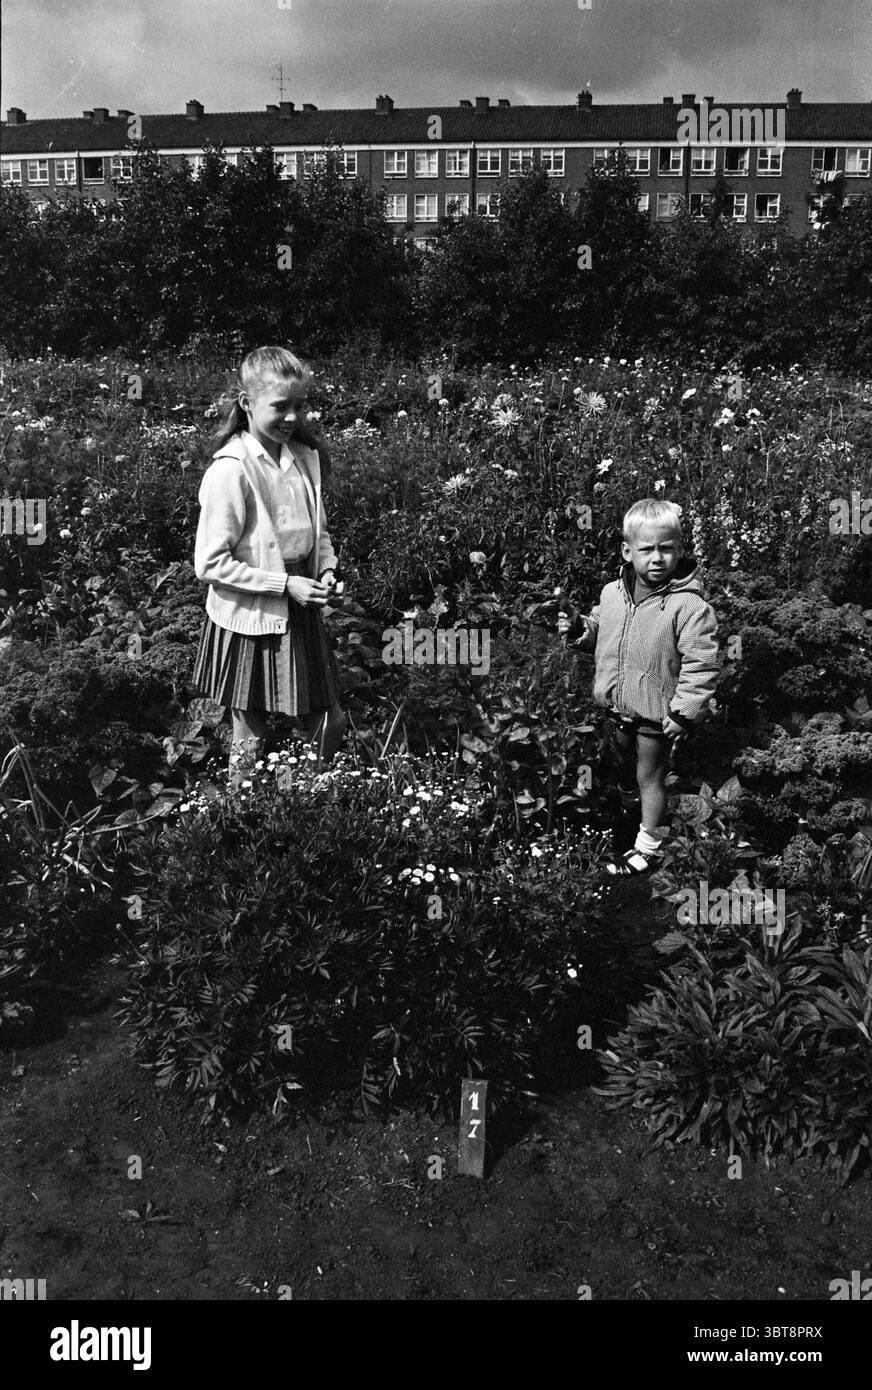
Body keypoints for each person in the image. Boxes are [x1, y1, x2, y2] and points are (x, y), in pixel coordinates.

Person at [191, 344, 346, 789]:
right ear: (247, 404)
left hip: (301, 606)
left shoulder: (303, 458)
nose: (293, 417)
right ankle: (240, 818)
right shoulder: (231, 470)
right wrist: (284, 584)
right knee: (250, 732)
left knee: (326, 720)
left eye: (301, 405)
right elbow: (211, 563)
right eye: (280, 406)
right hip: (251, 615)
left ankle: (304, 810)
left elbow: (318, 532)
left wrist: (327, 570)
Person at [558, 499, 719, 874]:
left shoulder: (690, 607)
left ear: (680, 549)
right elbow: (599, 628)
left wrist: (684, 711)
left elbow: (703, 664)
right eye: (647, 550)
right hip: (616, 704)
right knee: (620, 766)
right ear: (628, 552)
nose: (658, 558)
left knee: (650, 774)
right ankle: (630, 819)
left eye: (667, 548)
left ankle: (648, 845)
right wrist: (579, 628)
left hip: (657, 711)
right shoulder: (613, 593)